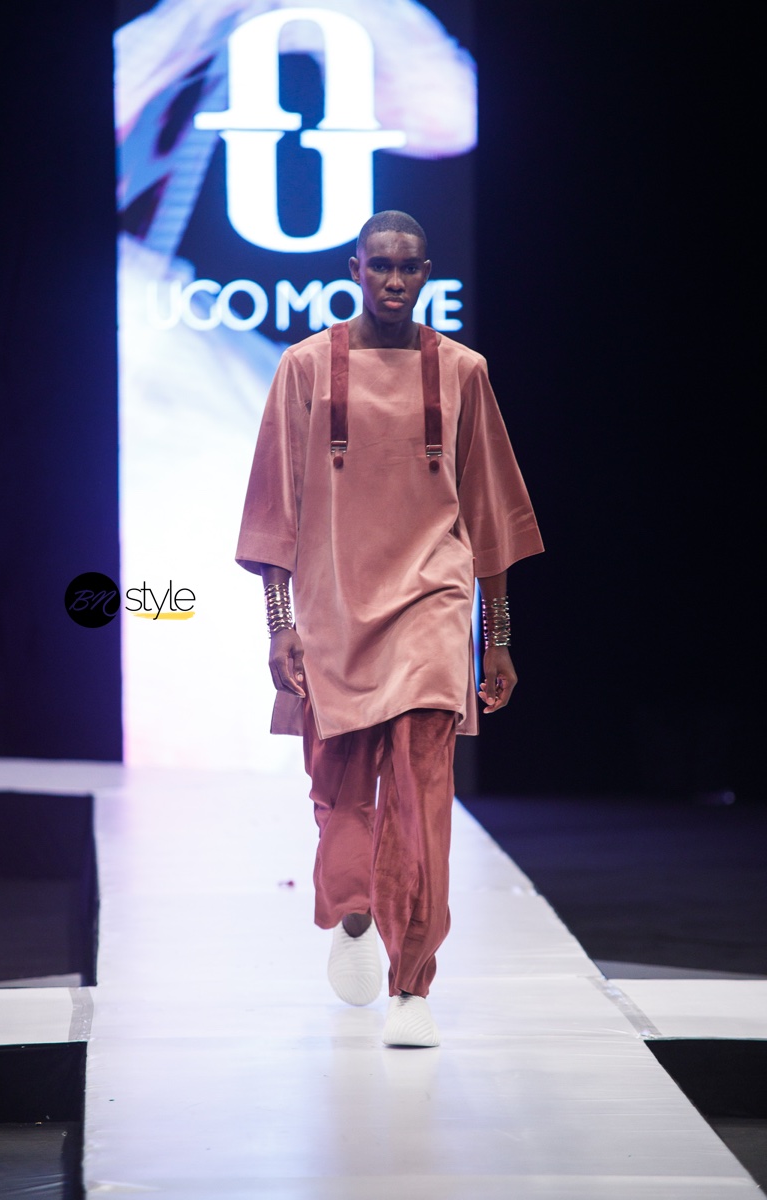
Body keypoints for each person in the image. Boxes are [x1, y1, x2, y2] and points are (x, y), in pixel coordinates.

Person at [236, 210, 543, 1047]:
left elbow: (490, 514)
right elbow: (275, 507)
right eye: (381, 266)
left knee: (422, 793)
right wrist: (278, 625)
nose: (396, 281)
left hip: (432, 603)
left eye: (410, 267)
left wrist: (498, 636)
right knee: (342, 796)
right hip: (335, 608)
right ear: (356, 268)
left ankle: (413, 985)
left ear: (428, 272)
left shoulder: (464, 372)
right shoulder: (305, 369)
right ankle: (356, 912)